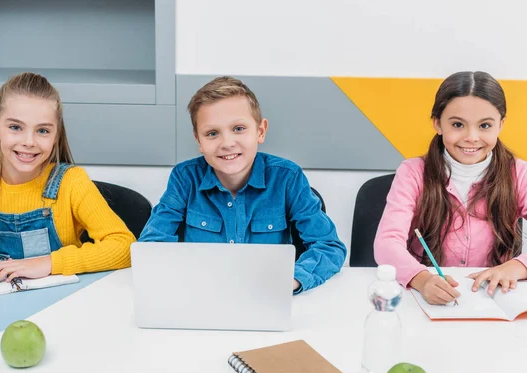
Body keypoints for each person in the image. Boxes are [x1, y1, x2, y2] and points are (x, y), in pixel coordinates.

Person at [0, 72, 135, 292]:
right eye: (15, 127)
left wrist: (48, 263)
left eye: (42, 130)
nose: (28, 142)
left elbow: (124, 246)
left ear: (56, 135)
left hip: (64, 305)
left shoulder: (72, 182)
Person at [138, 76, 346, 293]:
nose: (227, 143)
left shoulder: (287, 177)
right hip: (201, 295)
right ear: (199, 141)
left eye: (238, 128)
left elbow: (329, 247)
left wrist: (292, 280)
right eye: (212, 133)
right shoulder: (184, 178)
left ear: (260, 131)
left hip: (266, 296)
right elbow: (151, 246)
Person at [374, 71, 527, 304]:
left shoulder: (519, 173)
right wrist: (422, 279)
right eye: (457, 124)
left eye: (485, 125)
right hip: (425, 298)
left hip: (491, 299)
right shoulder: (413, 172)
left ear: (501, 125)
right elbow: (386, 243)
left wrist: (517, 266)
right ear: (437, 123)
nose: (472, 137)